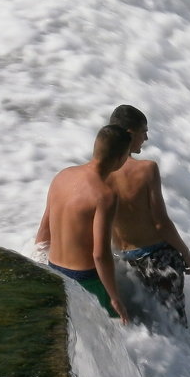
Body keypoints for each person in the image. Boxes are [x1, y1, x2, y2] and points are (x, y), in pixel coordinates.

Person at [107, 105, 190, 327]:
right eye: (143, 132)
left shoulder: (98, 173)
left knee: (147, 326)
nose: (146, 138)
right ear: (130, 134)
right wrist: (186, 253)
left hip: (124, 263)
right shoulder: (147, 169)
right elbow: (161, 222)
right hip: (158, 260)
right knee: (175, 325)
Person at [35, 124, 132, 324]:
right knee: (117, 334)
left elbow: (44, 227)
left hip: (54, 270)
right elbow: (100, 253)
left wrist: (37, 265)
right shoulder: (104, 195)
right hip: (85, 279)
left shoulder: (62, 175)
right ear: (121, 159)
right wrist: (114, 297)